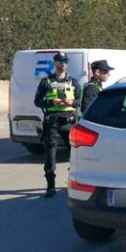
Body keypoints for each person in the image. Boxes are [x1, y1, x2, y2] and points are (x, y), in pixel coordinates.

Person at [33, 52, 82, 198]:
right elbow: (37, 101)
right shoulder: (46, 82)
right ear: (55, 63)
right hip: (52, 122)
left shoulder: (73, 82)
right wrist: (51, 102)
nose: (63, 64)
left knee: (74, 155)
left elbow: (80, 101)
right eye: (60, 61)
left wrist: (72, 102)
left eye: (65, 61)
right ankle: (50, 186)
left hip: (68, 121)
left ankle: (73, 183)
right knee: (50, 155)